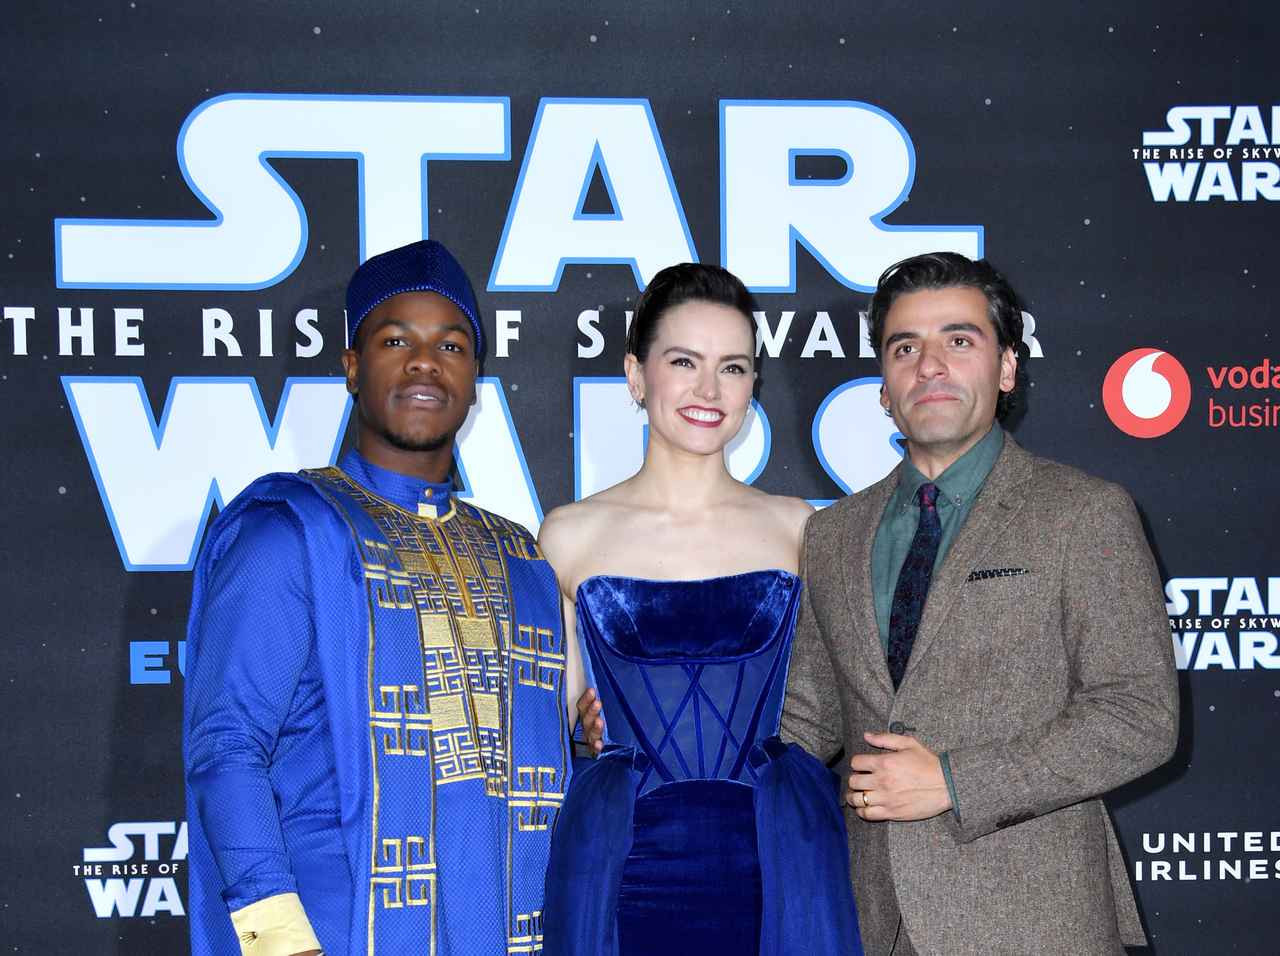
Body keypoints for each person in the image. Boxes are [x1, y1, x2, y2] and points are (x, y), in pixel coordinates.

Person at [781, 252, 1180, 955]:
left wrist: (953, 782)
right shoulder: (832, 534)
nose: (930, 366)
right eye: (905, 348)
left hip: (1037, 922)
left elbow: (1139, 715)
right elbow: (802, 722)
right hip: (874, 921)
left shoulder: (1083, 512)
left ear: (1007, 369)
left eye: (959, 340)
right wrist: (650, 730)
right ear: (884, 387)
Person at [184, 240, 570, 956]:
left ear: (475, 378)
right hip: (334, 933)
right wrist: (279, 942)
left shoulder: (518, 555)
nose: (425, 362)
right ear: (352, 366)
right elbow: (227, 747)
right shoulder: (289, 531)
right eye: (396, 341)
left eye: (451, 345)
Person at [540, 263, 862, 956]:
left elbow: (844, 698)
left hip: (777, 858)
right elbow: (548, 725)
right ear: (636, 374)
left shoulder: (800, 529)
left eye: (733, 367)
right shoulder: (569, 536)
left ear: (752, 385)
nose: (709, 391)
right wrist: (585, 732)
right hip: (619, 860)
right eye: (684, 362)